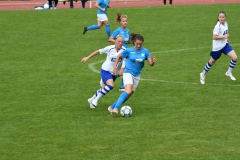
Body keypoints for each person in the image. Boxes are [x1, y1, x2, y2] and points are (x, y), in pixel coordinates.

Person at [108, 34, 157, 114]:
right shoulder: (129, 51)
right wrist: (115, 68)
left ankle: (111, 107)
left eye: (140, 44)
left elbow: (150, 64)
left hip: (137, 75)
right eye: (137, 44)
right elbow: (119, 56)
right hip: (128, 73)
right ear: (134, 42)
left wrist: (153, 61)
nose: (139, 46)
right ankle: (116, 109)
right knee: (128, 90)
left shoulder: (145, 51)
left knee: (128, 95)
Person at [81, 36, 126, 108]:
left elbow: (127, 60)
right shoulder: (109, 48)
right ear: (115, 41)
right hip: (106, 70)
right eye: (119, 42)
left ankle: (91, 99)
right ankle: (95, 101)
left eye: (122, 42)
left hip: (114, 73)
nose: (120, 43)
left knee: (105, 89)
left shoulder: (125, 50)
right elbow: (98, 51)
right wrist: (88, 57)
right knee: (111, 85)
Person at [200, 11, 238, 85]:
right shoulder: (217, 26)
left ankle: (228, 72)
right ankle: (203, 74)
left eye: (223, 17)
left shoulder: (226, 23)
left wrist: (226, 39)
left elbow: (224, 33)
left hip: (225, 45)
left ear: (225, 18)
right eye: (220, 17)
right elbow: (214, 37)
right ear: (218, 18)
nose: (221, 18)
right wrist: (224, 37)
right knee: (212, 62)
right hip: (217, 48)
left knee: (235, 58)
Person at [108, 12, 131, 91]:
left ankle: (121, 85)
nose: (125, 22)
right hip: (121, 53)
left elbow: (128, 41)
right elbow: (110, 38)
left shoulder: (128, 31)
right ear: (120, 22)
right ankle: (121, 85)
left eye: (126, 21)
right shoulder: (118, 30)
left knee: (126, 68)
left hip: (127, 52)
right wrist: (118, 43)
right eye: (123, 21)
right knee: (124, 68)